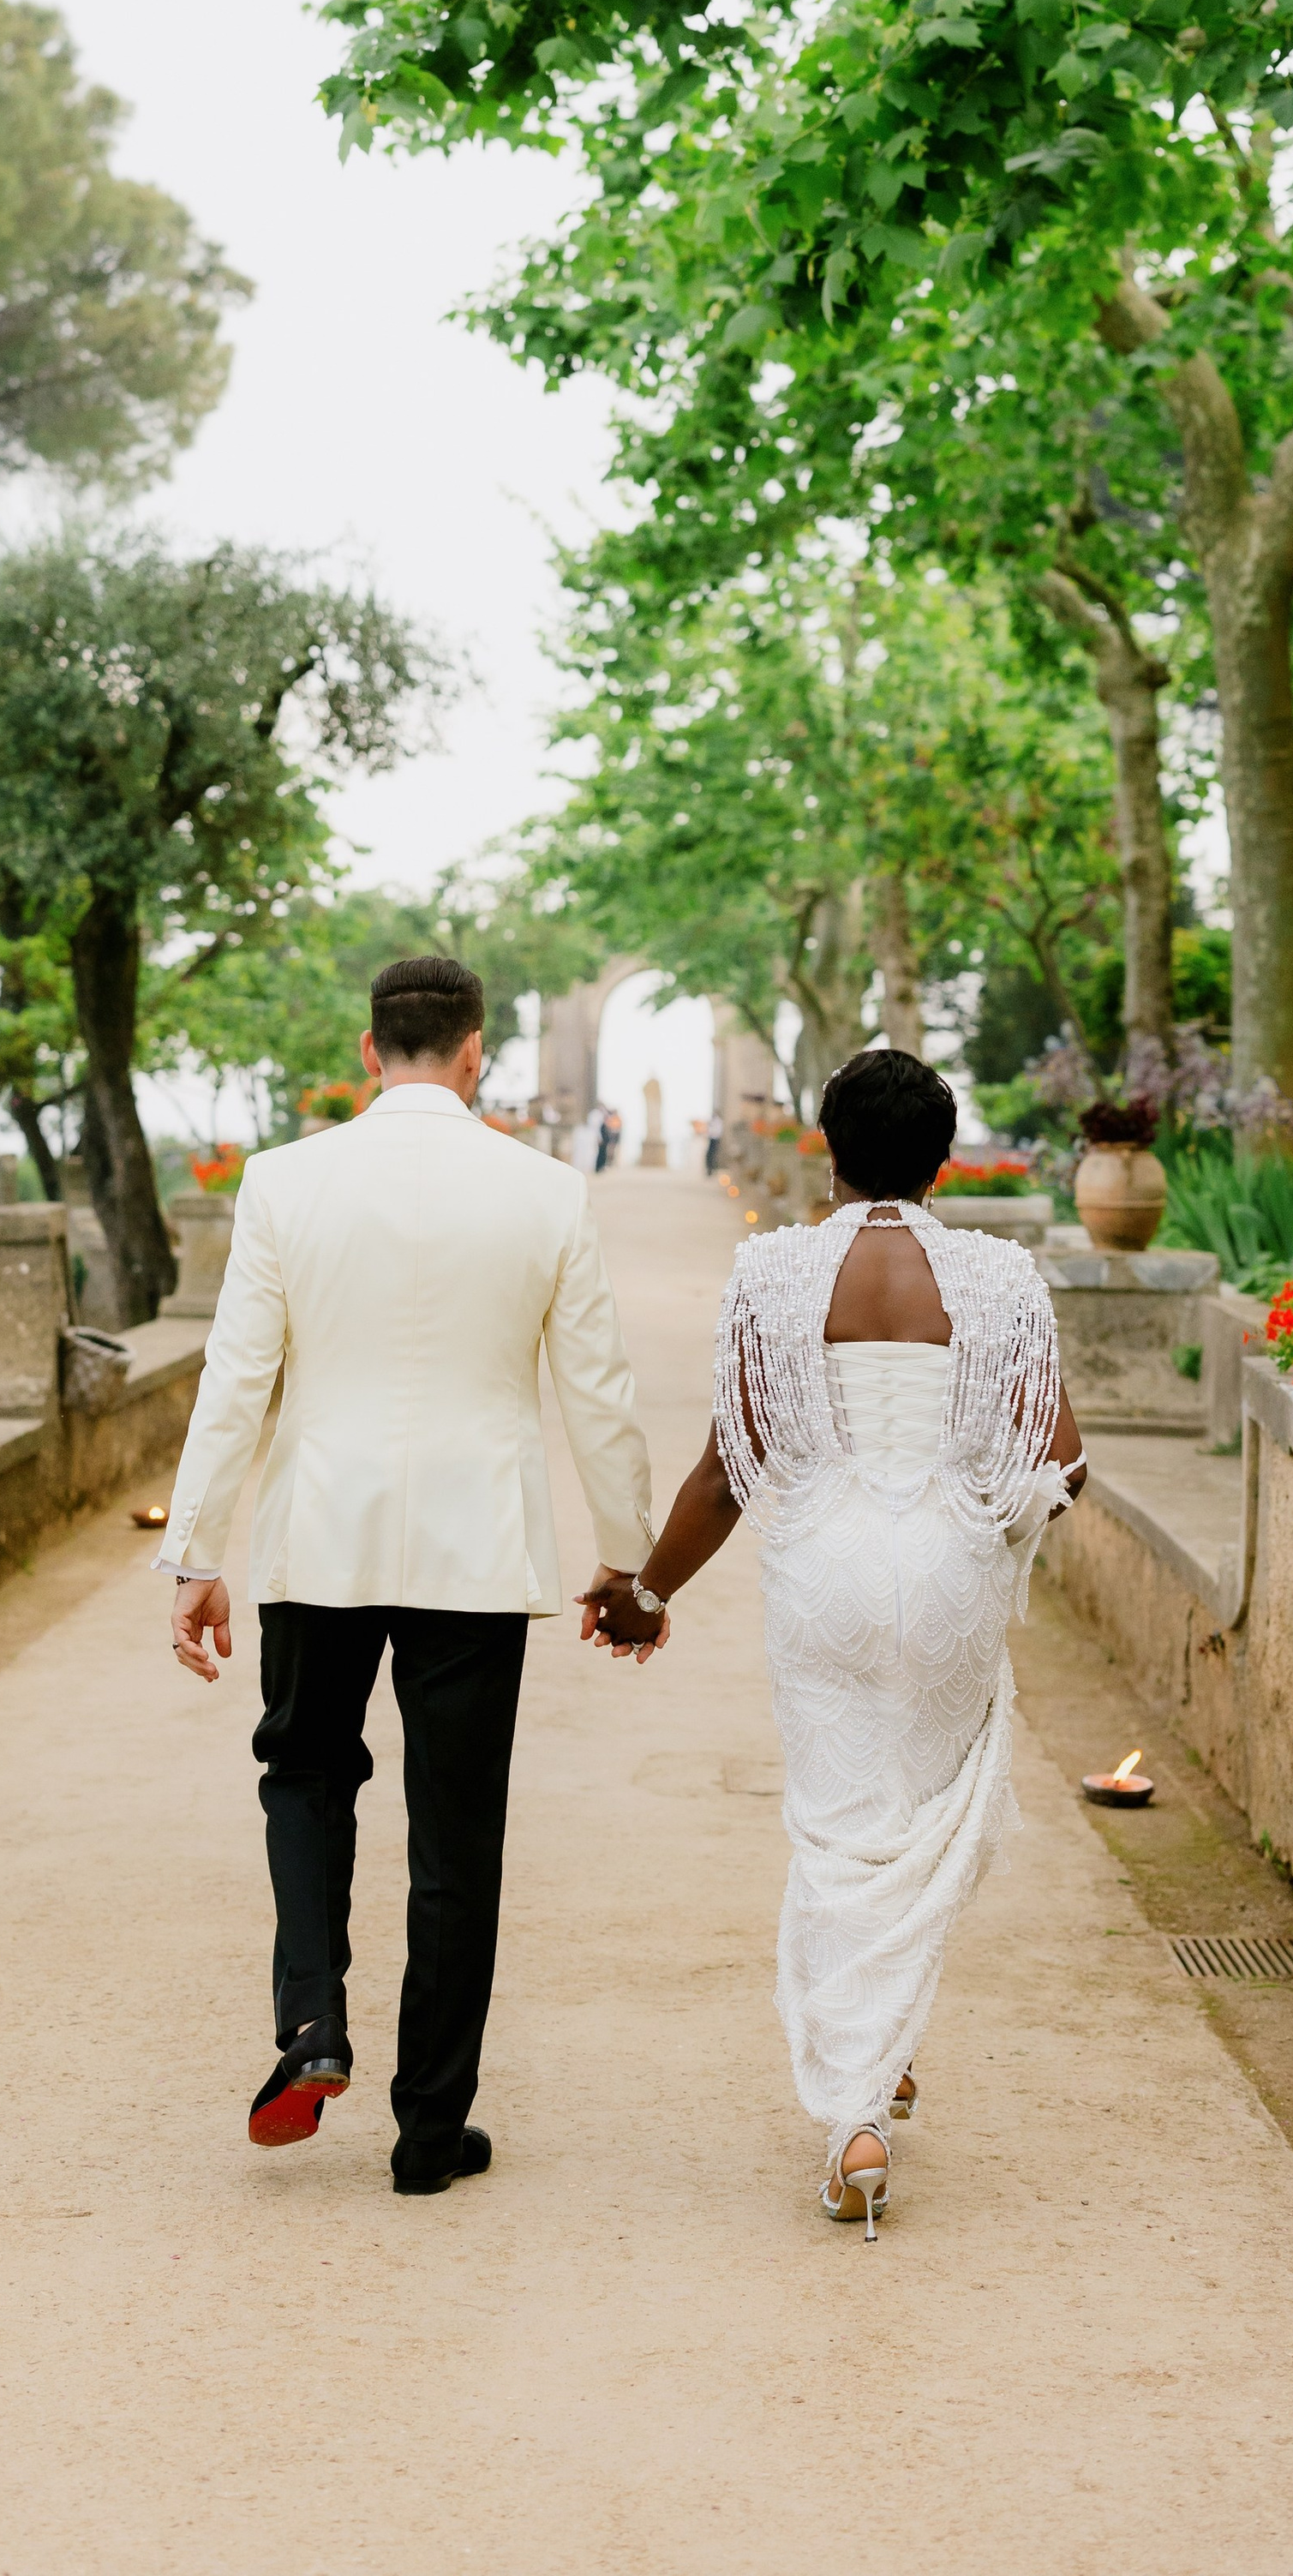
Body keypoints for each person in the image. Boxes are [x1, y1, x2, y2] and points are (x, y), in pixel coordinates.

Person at [160, 954, 655, 2196]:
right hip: (477, 1552)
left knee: (306, 1773)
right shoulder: (546, 1193)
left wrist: (196, 1552)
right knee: (457, 1842)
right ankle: (430, 2135)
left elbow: (238, 1377)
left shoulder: (285, 1182)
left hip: (320, 1538)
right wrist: (629, 1561)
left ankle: (312, 2021)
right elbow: (597, 1392)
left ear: (370, 1050)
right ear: (477, 1050)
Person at [580, 1045, 1085, 2241]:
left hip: (824, 1573)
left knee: (839, 1822)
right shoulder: (1001, 1278)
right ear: (946, 1156)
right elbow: (1059, 1465)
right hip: (952, 1567)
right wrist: (981, 1531)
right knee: (921, 1816)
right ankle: (882, 2054)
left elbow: (727, 1470)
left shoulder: (776, 1267)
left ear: (828, 1145)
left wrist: (648, 1592)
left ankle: (858, 2104)